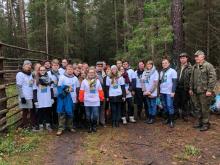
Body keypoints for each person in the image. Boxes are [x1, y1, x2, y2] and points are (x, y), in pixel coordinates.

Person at [189, 50, 217, 131]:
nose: (196, 58)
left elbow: (213, 78)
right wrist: (190, 88)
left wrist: (209, 90)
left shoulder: (208, 66)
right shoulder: (194, 66)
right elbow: (191, 79)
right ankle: (199, 121)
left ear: (203, 57)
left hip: (204, 92)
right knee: (197, 107)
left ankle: (206, 123)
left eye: (198, 56)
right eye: (195, 56)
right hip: (195, 91)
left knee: (205, 108)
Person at [79, 67, 104, 133]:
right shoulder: (84, 81)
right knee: (88, 115)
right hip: (87, 101)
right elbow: (81, 91)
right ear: (87, 73)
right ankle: (89, 127)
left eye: (93, 72)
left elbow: (100, 90)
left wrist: (101, 98)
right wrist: (81, 99)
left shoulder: (97, 81)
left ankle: (94, 126)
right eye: (90, 72)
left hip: (96, 101)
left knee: (95, 115)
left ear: (95, 73)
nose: (91, 74)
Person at [56, 64, 80, 136]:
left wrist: (77, 97)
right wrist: (66, 91)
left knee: (71, 113)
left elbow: (77, 88)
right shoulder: (62, 77)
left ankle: (70, 126)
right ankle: (61, 128)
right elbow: (59, 87)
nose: (70, 70)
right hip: (64, 98)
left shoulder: (75, 78)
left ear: (73, 70)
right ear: (66, 70)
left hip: (73, 98)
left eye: (71, 69)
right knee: (62, 113)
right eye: (68, 69)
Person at [33, 66, 54, 132]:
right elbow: (34, 91)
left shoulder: (49, 79)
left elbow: (51, 89)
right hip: (40, 99)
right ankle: (41, 126)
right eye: (41, 70)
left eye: (44, 70)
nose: (42, 71)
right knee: (40, 113)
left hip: (47, 99)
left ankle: (48, 125)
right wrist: (35, 100)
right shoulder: (36, 79)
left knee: (48, 112)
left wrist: (52, 98)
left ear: (45, 71)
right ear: (39, 71)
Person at [16, 60, 35, 129]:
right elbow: (19, 86)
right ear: (24, 66)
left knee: (32, 110)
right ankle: (25, 126)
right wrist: (22, 97)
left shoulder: (30, 74)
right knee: (25, 111)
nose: (29, 66)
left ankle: (32, 124)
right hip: (25, 96)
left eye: (30, 65)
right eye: (27, 65)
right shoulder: (20, 74)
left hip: (31, 95)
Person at [160, 58, 177, 128]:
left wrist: (173, 91)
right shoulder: (161, 72)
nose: (164, 64)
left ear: (169, 63)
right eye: (163, 63)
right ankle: (167, 119)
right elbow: (160, 82)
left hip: (169, 92)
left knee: (170, 105)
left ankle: (172, 121)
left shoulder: (172, 71)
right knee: (164, 106)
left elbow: (175, 82)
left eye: (166, 63)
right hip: (162, 91)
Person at [174, 53, 192, 121]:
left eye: (183, 58)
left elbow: (191, 79)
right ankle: (176, 114)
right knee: (176, 101)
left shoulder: (190, 68)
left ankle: (185, 115)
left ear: (187, 58)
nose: (182, 59)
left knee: (184, 102)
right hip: (177, 87)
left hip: (185, 88)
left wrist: (190, 88)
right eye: (181, 58)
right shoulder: (177, 67)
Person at [47, 59, 60, 127]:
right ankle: (50, 123)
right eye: (54, 65)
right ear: (51, 66)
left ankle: (56, 122)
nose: (55, 66)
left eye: (57, 65)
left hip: (59, 94)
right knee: (50, 109)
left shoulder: (61, 73)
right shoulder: (48, 74)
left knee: (57, 109)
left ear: (58, 66)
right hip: (51, 94)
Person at [96, 61, 106, 126]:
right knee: (96, 108)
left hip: (103, 93)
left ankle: (102, 121)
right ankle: (96, 121)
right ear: (96, 67)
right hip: (95, 94)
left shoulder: (104, 74)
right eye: (98, 66)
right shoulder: (93, 73)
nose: (99, 68)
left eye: (101, 66)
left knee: (102, 108)